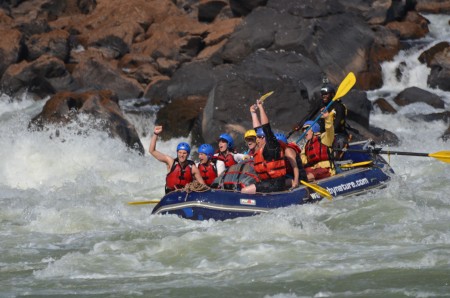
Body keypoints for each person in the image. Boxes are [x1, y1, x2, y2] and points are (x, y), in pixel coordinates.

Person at [241, 99, 286, 194]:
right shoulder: (261, 146)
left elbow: (266, 127)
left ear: (264, 138)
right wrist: (253, 113)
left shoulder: (272, 146)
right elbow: (258, 129)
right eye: (256, 137)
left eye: (259, 137)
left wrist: (261, 107)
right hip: (267, 182)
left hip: (276, 183)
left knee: (244, 191)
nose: (257, 139)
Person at [149, 125, 205, 193]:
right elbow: (152, 151)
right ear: (177, 153)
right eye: (180, 152)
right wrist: (155, 134)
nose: (181, 155)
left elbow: (203, 186)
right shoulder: (170, 162)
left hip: (186, 195)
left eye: (184, 153)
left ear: (188, 154)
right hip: (171, 194)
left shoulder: (193, 168)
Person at [300, 111, 336, 181]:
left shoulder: (324, 138)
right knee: (299, 174)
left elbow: (330, 130)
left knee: (308, 176)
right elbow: (303, 160)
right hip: (314, 168)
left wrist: (327, 118)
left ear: (313, 129)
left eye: (306, 129)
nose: (304, 132)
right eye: (303, 130)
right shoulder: (307, 145)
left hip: (326, 169)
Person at [319, 84, 349, 152]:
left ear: (332, 94)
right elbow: (310, 114)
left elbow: (337, 125)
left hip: (338, 135)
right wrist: (300, 125)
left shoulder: (340, 107)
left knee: (336, 144)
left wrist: (327, 135)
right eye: (322, 94)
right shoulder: (323, 106)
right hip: (325, 135)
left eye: (326, 94)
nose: (323, 95)